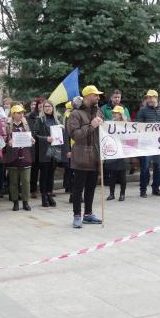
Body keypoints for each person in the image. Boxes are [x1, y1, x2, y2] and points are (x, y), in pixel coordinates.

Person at [67, 85, 105, 228]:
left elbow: (104, 131)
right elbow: (75, 135)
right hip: (82, 156)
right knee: (78, 188)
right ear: (88, 96)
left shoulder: (99, 111)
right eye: (96, 95)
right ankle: (77, 216)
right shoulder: (76, 114)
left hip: (95, 156)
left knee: (91, 187)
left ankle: (88, 214)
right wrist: (92, 125)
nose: (98, 97)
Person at [136, 89, 160, 197]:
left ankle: (156, 189)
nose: (149, 99)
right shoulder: (143, 110)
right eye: (148, 97)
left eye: (151, 97)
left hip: (159, 144)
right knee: (145, 168)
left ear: (156, 98)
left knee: (158, 167)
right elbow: (138, 126)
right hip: (146, 144)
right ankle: (143, 190)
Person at [4, 105, 34, 211]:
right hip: (12, 158)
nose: (21, 115)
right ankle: (15, 202)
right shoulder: (7, 125)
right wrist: (8, 142)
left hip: (25, 157)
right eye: (19, 113)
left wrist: (32, 140)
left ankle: (26, 202)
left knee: (26, 181)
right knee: (13, 182)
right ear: (13, 114)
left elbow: (30, 137)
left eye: (22, 113)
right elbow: (2, 140)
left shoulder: (26, 124)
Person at [33, 100, 64, 207]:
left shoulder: (57, 120)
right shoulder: (40, 120)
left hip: (55, 150)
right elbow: (35, 135)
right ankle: (44, 196)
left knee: (51, 174)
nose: (47, 108)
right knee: (44, 175)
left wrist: (62, 129)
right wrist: (46, 139)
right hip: (44, 151)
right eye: (45, 106)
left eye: (49, 106)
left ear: (53, 108)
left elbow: (61, 135)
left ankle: (50, 194)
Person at [104, 105, 129, 201]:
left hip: (122, 153)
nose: (113, 114)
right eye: (113, 113)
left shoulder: (126, 125)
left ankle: (122, 194)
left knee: (122, 176)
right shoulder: (109, 124)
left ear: (120, 114)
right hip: (113, 152)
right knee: (112, 175)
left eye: (115, 113)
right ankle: (111, 194)